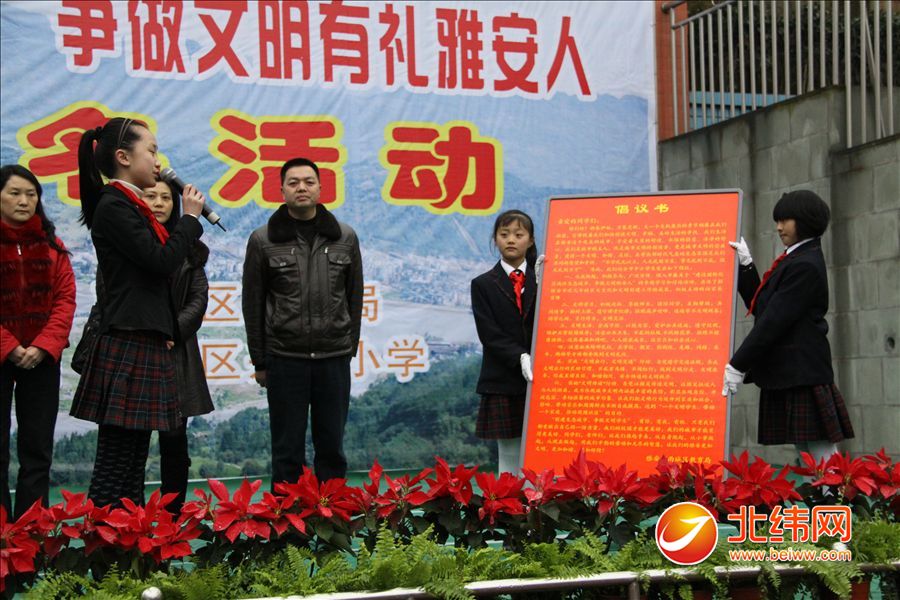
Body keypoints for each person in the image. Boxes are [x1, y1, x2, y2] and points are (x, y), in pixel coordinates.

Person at [69, 117, 206, 508]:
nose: (158, 161)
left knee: (132, 463)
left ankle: (129, 543)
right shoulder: (114, 205)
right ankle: (102, 540)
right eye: (152, 151)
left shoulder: (129, 205)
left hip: (143, 337)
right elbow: (159, 261)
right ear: (123, 157)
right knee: (115, 466)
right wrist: (189, 219)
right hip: (127, 339)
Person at [242, 157, 363, 484]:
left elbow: (354, 297)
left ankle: (332, 514)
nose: (301, 188)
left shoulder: (345, 237)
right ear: (282, 190)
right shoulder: (263, 240)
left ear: (320, 188)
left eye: (309, 182)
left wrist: (348, 349)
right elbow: (253, 304)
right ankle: (286, 516)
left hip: (333, 358)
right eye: (293, 182)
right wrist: (260, 361)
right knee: (287, 450)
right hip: (285, 358)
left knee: (332, 448)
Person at [722, 190, 854, 463]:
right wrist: (746, 265)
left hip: (804, 373)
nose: (779, 227)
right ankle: (825, 492)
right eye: (778, 220)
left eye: (785, 220)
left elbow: (772, 321)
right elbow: (763, 307)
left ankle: (834, 492)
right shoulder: (796, 258)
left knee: (822, 458)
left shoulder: (805, 264)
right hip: (795, 373)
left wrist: (737, 364)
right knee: (807, 455)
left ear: (805, 221)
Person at [1, 164, 76, 519]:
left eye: (31, 194)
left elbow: (65, 300)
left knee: (37, 452)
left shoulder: (52, 246)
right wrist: (8, 346)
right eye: (15, 193)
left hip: (42, 359)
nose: (24, 201)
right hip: (3, 355)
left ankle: (32, 535)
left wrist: (44, 346)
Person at [144, 179, 213, 513]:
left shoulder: (189, 248)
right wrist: (151, 330)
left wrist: (171, 330)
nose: (159, 203)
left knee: (174, 441)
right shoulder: (128, 239)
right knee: (132, 440)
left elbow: (198, 300)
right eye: (150, 196)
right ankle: (130, 521)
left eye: (165, 198)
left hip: (177, 352)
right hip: (137, 348)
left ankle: (173, 519)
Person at [471, 209, 539, 475]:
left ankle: (537, 500)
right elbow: (489, 334)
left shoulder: (543, 279)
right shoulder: (483, 284)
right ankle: (508, 501)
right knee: (509, 453)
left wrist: (544, 282)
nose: (511, 240)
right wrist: (520, 356)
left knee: (539, 452)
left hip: (541, 378)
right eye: (504, 234)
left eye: (519, 235)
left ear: (530, 241)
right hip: (502, 378)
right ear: (495, 239)